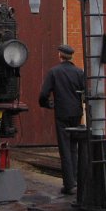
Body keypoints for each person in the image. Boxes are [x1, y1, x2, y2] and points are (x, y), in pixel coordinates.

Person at [38, 43, 85, 195]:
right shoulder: (79, 72)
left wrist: (46, 104)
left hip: (62, 113)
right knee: (74, 147)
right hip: (76, 113)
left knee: (65, 148)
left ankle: (69, 184)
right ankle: (78, 181)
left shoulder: (54, 72)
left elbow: (44, 93)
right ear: (71, 56)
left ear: (60, 55)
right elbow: (86, 91)